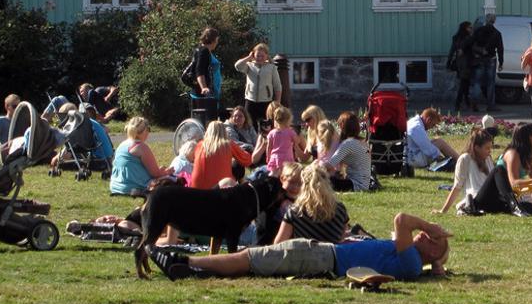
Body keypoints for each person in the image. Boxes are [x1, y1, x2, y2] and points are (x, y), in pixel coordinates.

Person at [147, 212, 450, 282]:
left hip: (319, 257)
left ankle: (185, 265)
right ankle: (184, 264)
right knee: (250, 259)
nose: (426, 235)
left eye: (432, 240)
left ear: (433, 251)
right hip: (320, 255)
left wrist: (431, 227)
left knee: (249, 258)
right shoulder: (410, 259)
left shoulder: (410, 260)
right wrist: (438, 266)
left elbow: (402, 219)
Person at [468, 123, 532, 214]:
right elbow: (514, 183)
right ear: (529, 137)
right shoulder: (512, 154)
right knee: (498, 169)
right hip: (481, 199)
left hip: (501, 198)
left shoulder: (488, 158)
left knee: (525, 204)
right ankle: (515, 206)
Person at [273, 162, 349, 244]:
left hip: (304, 255)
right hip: (332, 255)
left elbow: (278, 245)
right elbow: (343, 238)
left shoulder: (295, 212)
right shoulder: (340, 209)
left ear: (304, 185)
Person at [435, 128, 494, 215]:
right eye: (487, 148)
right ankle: (468, 207)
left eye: (490, 148)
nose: (490, 151)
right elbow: (457, 187)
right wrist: (443, 210)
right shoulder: (465, 158)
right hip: (476, 197)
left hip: (490, 197)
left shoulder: (488, 159)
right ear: (477, 148)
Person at [110, 117, 171, 196]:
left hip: (115, 187)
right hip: (132, 188)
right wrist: (167, 172)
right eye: (148, 129)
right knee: (170, 180)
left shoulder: (122, 145)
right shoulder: (141, 147)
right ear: (144, 131)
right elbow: (155, 174)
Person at [190, 120, 253, 189]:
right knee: (237, 167)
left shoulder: (199, 145)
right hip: (219, 190)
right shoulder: (228, 144)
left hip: (196, 189)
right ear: (224, 131)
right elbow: (248, 160)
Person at [324, 112, 374, 192]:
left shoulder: (348, 143)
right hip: (364, 184)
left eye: (339, 126)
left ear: (342, 126)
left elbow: (330, 165)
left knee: (323, 180)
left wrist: (313, 168)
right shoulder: (362, 142)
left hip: (356, 185)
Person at [234, 43, 281, 124]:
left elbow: (277, 86)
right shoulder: (249, 66)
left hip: (266, 101)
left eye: (262, 56)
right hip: (250, 100)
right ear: (253, 55)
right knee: (249, 124)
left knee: (266, 124)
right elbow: (237, 66)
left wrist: (277, 102)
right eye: (257, 55)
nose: (259, 58)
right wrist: (248, 57)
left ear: (266, 56)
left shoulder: (271, 67)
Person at [468, 14, 505, 111]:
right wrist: (501, 62)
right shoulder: (497, 33)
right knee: (490, 83)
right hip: (491, 59)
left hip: (479, 58)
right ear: (494, 21)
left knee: (476, 82)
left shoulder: (478, 31)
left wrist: (475, 53)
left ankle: (474, 103)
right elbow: (500, 49)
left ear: (486, 20)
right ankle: (490, 105)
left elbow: (471, 44)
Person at [190, 27, 223, 123]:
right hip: (204, 95)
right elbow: (199, 70)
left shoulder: (204, 50)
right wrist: (204, 87)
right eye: (217, 39)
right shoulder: (203, 51)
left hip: (211, 92)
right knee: (207, 121)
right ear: (213, 40)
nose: (217, 42)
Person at [264, 106, 304, 174]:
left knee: (274, 174)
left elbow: (269, 147)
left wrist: (268, 156)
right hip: (287, 157)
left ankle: (271, 182)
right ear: (288, 120)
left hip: (275, 157)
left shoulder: (272, 133)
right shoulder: (290, 132)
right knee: (287, 174)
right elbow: (297, 141)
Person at [446, 21, 475, 114]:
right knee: (463, 84)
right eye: (469, 28)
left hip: (460, 64)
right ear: (465, 28)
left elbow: (452, 51)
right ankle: (458, 104)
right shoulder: (468, 38)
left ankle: (466, 103)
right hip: (466, 64)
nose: (471, 29)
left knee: (465, 84)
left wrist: (449, 62)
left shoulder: (456, 38)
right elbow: (469, 49)